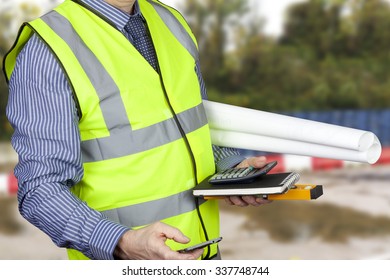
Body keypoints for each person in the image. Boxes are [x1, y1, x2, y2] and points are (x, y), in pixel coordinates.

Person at [3, 0, 270, 260]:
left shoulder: (171, 21)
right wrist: (121, 242)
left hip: (204, 253)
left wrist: (231, 170)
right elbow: (40, 191)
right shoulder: (47, 51)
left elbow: (193, 123)